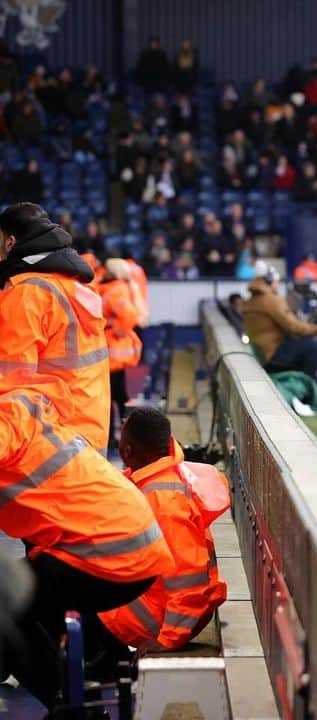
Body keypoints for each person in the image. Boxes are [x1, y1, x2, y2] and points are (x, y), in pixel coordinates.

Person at [0, 372, 174, 709]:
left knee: (8, 603)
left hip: (109, 554)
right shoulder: (25, 408)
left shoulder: (9, 416)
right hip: (125, 547)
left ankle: (65, 703)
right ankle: (83, 675)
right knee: (29, 594)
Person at [89, 408, 228, 665]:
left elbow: (189, 580)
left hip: (158, 620)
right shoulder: (159, 475)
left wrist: (167, 640)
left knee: (64, 597)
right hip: (162, 609)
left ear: (127, 451)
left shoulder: (164, 502)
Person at [0, 202, 111, 451]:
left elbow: (11, 384)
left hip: (52, 443)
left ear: (10, 242)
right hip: (88, 437)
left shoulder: (26, 293)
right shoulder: (75, 283)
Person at [243, 260, 317, 380]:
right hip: (272, 353)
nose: (278, 285)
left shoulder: (251, 300)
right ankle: (305, 388)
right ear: (269, 281)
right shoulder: (271, 300)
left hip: (262, 352)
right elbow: (293, 326)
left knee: (303, 345)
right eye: (276, 281)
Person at [99, 259, 144, 450]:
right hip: (115, 354)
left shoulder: (115, 290)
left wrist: (114, 330)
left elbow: (128, 315)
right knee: (117, 398)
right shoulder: (118, 287)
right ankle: (119, 438)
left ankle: (116, 438)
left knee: (114, 397)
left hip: (114, 354)